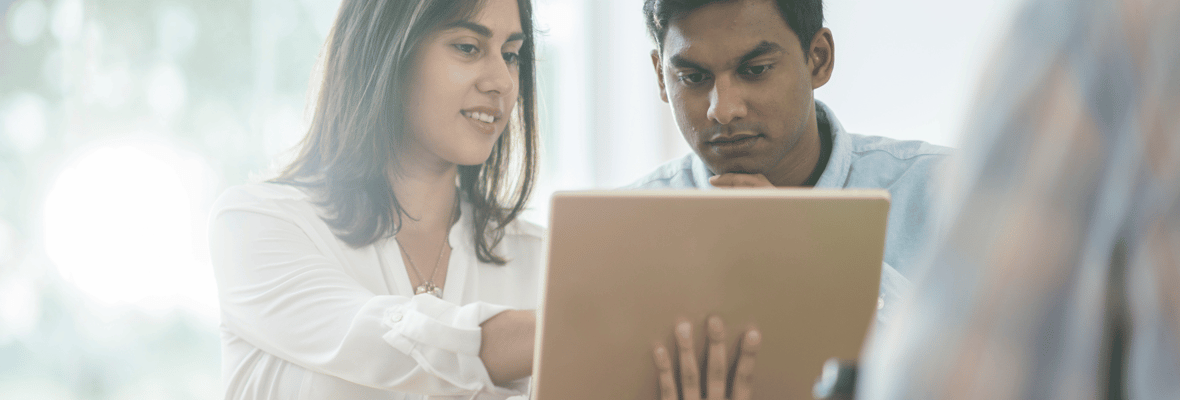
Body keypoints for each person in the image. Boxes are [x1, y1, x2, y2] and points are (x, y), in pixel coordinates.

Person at [208, 0, 542, 398]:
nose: (502, 81)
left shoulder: (541, 259)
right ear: (388, 51)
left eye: (511, 56)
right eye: (468, 48)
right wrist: (580, 328)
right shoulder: (258, 224)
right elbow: (391, 348)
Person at [857, 0, 1180, 398]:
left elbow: (953, 379)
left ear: (819, 61)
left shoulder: (924, 181)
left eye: (760, 68)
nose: (751, 107)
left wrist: (837, 268)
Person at [633, 0, 953, 332]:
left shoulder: (947, 195)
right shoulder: (623, 233)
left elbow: (980, 365)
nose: (723, 110)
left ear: (818, 59)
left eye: (755, 70)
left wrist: (811, 247)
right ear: (660, 76)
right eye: (693, 77)